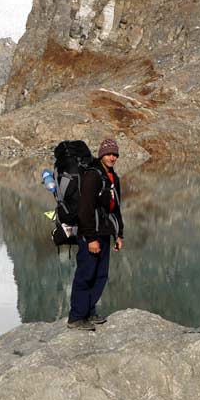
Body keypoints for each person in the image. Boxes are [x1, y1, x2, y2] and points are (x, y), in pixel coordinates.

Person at [67, 137, 125, 330]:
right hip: (89, 234)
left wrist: (119, 234)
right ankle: (76, 317)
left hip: (105, 232)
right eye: (109, 154)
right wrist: (91, 238)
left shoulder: (113, 178)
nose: (112, 157)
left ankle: (89, 311)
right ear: (101, 155)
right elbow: (85, 209)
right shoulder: (92, 176)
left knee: (100, 275)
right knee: (86, 274)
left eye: (115, 154)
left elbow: (115, 208)